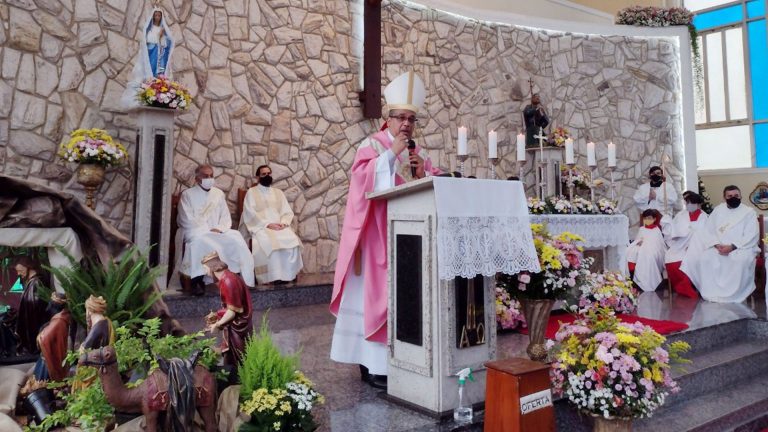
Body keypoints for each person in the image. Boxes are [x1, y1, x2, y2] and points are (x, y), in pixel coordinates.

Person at [330, 71, 441, 390]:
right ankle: (373, 366)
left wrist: (425, 172)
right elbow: (360, 181)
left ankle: (388, 361)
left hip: (406, 238)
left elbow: (428, 186)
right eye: (401, 118)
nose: (406, 124)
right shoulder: (373, 145)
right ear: (388, 119)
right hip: (375, 235)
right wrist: (390, 155)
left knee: (399, 298)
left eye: (411, 119)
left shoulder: (417, 151)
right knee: (374, 299)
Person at [178, 164, 255, 295]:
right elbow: (186, 219)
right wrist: (207, 230)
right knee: (201, 242)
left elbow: (225, 217)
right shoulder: (187, 195)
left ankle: (235, 278)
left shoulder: (218, 194)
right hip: (196, 231)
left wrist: (219, 228)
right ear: (197, 179)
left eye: (211, 176)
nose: (209, 178)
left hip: (217, 231)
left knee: (235, 237)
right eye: (205, 176)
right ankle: (197, 279)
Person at [681, 185, 759, 303]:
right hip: (719, 247)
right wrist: (717, 245)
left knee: (740, 260)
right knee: (705, 258)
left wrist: (732, 247)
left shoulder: (749, 212)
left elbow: (751, 234)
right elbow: (709, 230)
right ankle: (712, 293)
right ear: (724, 197)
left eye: (736, 195)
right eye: (730, 196)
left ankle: (735, 295)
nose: (734, 198)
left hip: (741, 248)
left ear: (741, 196)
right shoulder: (718, 210)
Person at [239, 165, 303, 285]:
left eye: (269, 173)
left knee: (291, 240)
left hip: (279, 226)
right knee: (268, 243)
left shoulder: (278, 193)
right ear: (258, 177)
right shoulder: (251, 193)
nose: (267, 176)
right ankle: (274, 276)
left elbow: (286, 211)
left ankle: (287, 274)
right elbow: (249, 213)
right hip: (261, 227)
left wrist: (284, 223)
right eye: (264, 174)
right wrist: (267, 224)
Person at [203, 252, 253, 366]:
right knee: (232, 355)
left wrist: (217, 324)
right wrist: (218, 316)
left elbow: (232, 312)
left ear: (212, 268)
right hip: (235, 323)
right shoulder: (227, 277)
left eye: (206, 269)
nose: (205, 272)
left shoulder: (229, 282)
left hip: (238, 325)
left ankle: (239, 378)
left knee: (238, 355)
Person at [663, 192, 708, 298]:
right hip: (681, 245)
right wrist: (667, 223)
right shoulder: (680, 215)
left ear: (697, 203)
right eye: (686, 202)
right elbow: (673, 232)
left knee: (690, 260)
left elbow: (706, 236)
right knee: (670, 257)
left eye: (690, 202)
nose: (688, 205)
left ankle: (691, 287)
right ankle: (682, 287)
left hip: (699, 247)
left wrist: (694, 246)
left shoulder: (705, 217)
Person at [14, 256, 50, 355]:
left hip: (34, 323)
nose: (18, 273)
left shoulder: (37, 282)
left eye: (20, 270)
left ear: (28, 266)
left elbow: (36, 306)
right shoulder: (32, 282)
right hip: (29, 321)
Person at [35, 293, 74, 382]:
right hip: (53, 355)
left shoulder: (59, 321)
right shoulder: (63, 316)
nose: (47, 308)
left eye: (50, 304)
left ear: (54, 306)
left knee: (43, 380)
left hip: (51, 360)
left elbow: (44, 339)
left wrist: (40, 335)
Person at [627, 209, 666, 292]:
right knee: (631, 252)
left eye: (649, 218)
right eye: (645, 218)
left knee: (648, 255)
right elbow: (638, 239)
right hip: (643, 248)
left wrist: (648, 245)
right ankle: (636, 281)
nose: (647, 220)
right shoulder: (642, 229)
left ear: (654, 219)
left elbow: (659, 244)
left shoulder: (657, 230)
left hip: (654, 250)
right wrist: (638, 242)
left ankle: (648, 282)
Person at [144, 9, 173, 77]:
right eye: (156, 15)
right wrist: (158, 36)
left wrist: (162, 36)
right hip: (152, 51)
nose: (157, 17)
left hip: (160, 53)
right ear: (153, 16)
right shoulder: (150, 28)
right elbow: (148, 40)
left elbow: (165, 43)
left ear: (161, 17)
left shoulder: (162, 29)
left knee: (160, 66)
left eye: (159, 15)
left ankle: (158, 78)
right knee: (152, 65)